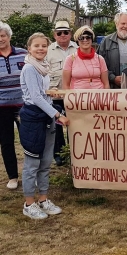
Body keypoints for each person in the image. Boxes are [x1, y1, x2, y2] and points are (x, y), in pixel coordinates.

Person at [19, 32, 70, 220]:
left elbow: (43, 94)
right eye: (36, 46)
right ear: (29, 49)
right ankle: (29, 203)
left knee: (46, 162)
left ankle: (43, 199)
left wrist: (52, 93)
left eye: (43, 46)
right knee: (32, 164)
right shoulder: (29, 69)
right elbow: (35, 97)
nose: (40, 49)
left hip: (45, 118)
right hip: (34, 119)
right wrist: (58, 115)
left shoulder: (43, 67)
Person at [46, 20, 77, 166]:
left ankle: (74, 152)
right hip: (55, 94)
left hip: (73, 94)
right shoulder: (47, 50)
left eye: (66, 32)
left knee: (74, 123)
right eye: (59, 33)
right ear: (54, 34)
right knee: (56, 125)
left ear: (70, 33)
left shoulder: (77, 48)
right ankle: (58, 154)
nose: (63, 35)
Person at [0, 21, 27, 190]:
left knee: (28, 140)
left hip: (23, 104)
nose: (0, 39)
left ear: (9, 36)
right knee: (6, 142)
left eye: (2, 35)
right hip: (2, 107)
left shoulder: (24, 54)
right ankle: (12, 177)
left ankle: (31, 174)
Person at [97, 12, 127, 88]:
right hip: (112, 86)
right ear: (116, 24)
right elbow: (98, 64)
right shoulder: (106, 41)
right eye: (123, 23)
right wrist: (113, 78)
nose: (125, 26)